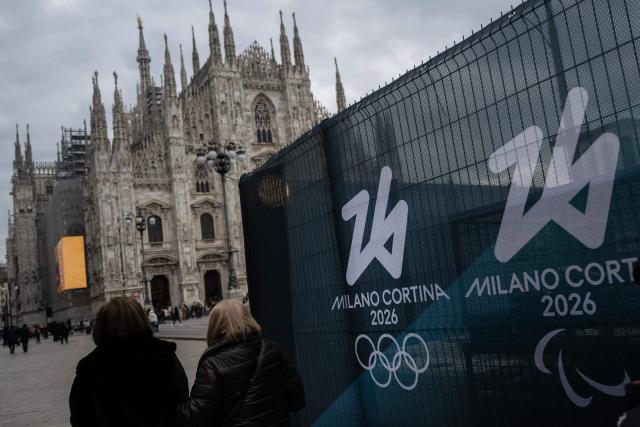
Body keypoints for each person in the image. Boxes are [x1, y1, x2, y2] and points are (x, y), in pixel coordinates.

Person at [176, 299, 305, 426]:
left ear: (215, 325)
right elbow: (296, 397)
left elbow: (197, 416)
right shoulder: (273, 348)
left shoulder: (212, 364)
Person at [69, 296, 189, 427]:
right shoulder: (164, 356)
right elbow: (181, 400)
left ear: (101, 325)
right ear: (142, 320)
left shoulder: (90, 368)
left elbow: (79, 417)